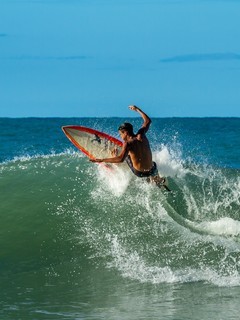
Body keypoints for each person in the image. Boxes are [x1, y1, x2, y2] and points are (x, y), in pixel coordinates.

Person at [90, 105, 170, 191]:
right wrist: (137, 109)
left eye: (121, 134)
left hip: (139, 173)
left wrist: (102, 160)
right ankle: (158, 180)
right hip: (151, 170)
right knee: (153, 164)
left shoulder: (128, 143)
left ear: (125, 133)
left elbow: (120, 159)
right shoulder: (141, 134)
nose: (121, 137)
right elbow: (148, 121)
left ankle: (149, 180)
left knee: (127, 156)